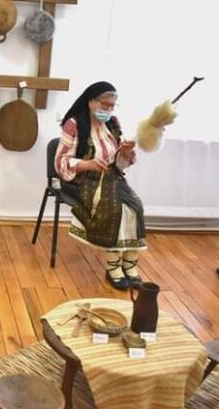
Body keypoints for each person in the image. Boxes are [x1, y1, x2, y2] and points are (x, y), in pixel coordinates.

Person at [55, 81, 146, 290]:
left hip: (109, 177)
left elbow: (119, 165)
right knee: (115, 210)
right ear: (91, 102)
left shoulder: (113, 123)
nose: (109, 110)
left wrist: (125, 152)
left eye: (113, 106)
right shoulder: (74, 124)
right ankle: (113, 267)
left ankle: (130, 265)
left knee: (136, 206)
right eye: (105, 105)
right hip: (81, 179)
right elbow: (60, 163)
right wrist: (88, 164)